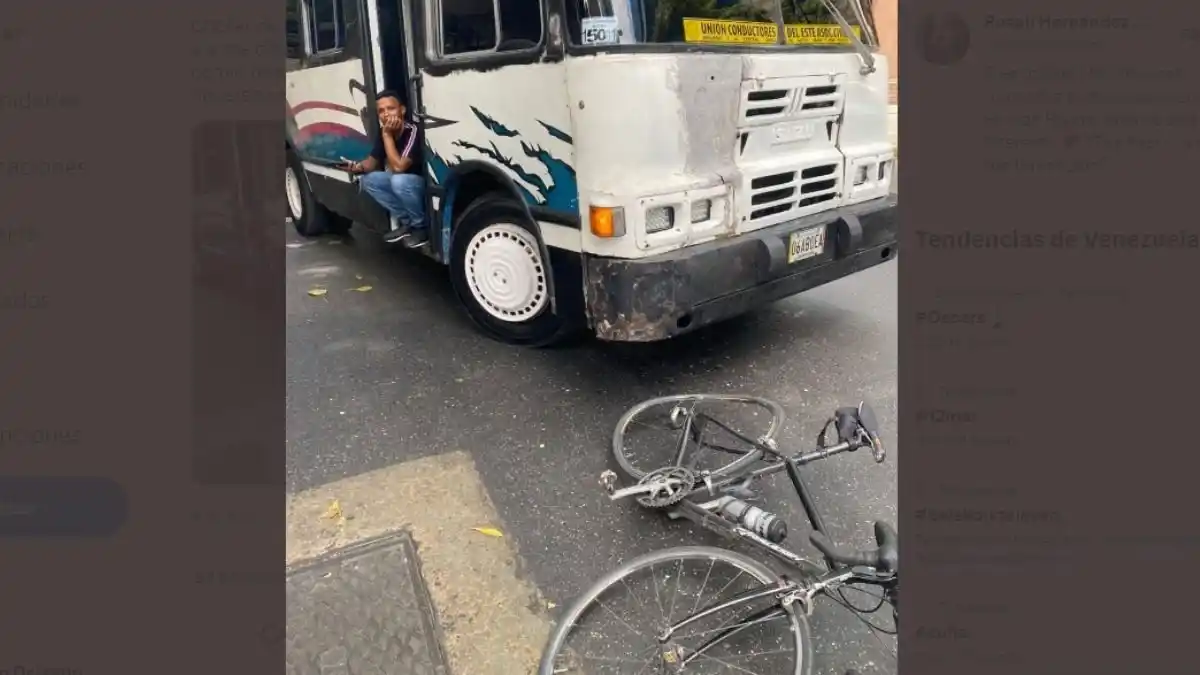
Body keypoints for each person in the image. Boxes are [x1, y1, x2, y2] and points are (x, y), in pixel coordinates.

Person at [341, 91, 427, 246]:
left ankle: (421, 227)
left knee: (398, 180)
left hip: (421, 185)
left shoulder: (412, 130)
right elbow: (372, 163)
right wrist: (356, 167)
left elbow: (399, 167)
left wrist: (387, 136)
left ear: (402, 110)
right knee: (369, 180)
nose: (386, 114)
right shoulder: (386, 131)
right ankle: (408, 223)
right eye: (381, 111)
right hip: (402, 184)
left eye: (391, 108)